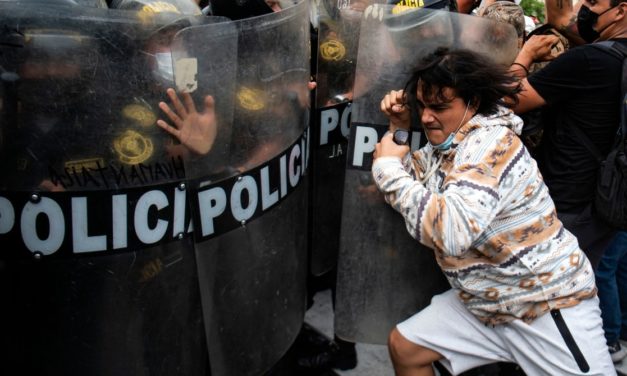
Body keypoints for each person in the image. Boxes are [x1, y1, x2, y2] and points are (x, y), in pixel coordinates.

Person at [374, 47, 614, 376]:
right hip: (487, 301)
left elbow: (451, 230)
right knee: (406, 347)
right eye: (422, 106)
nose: (427, 117)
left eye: (440, 107)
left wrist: (386, 167)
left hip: (545, 304)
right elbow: (414, 179)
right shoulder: (452, 143)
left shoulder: (489, 145)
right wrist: (399, 128)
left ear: (472, 102)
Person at [508, 0, 626, 270]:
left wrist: (525, 56)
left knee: (543, 285)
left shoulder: (589, 60)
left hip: (565, 201)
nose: (583, 6)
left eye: (593, 2)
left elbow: (510, 98)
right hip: (607, 197)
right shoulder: (612, 58)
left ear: (620, 11)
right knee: (584, 280)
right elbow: (561, 19)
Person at [597, 232, 627, 363]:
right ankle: (623, 329)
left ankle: (610, 341)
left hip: (613, 221)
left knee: (604, 271)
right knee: (622, 267)